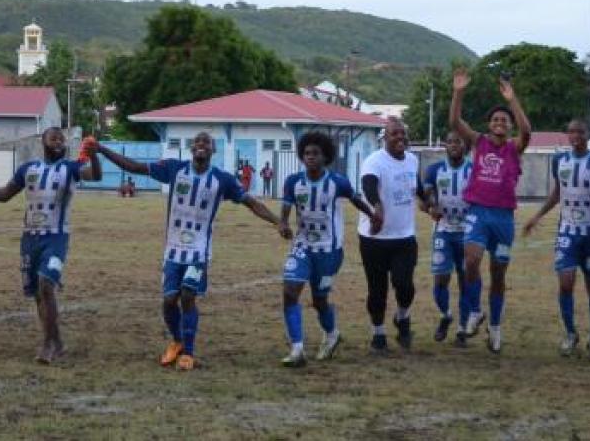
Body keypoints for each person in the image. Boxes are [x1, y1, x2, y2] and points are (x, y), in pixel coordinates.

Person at [97, 132, 282, 371]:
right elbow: (134, 166)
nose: (202, 145)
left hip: (198, 252)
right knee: (168, 301)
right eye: (198, 141)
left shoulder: (222, 180)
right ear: (192, 148)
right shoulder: (174, 169)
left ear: (213, 150)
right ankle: (177, 341)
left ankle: (189, 353)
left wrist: (277, 221)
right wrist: (102, 149)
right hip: (173, 250)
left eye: (207, 142)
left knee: (187, 295)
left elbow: (251, 203)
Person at [0, 128, 101, 362]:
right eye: (54, 138)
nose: (59, 142)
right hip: (29, 240)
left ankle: (48, 344)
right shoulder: (28, 169)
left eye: (62, 139)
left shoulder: (71, 169)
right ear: (43, 142)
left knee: (46, 284)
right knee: (38, 295)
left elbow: (96, 175)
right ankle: (55, 341)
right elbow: (3, 194)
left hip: (56, 237)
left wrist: (93, 154)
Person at [448, 69, 532, 353]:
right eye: (495, 120)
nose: (499, 123)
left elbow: (527, 131)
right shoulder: (479, 142)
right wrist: (458, 92)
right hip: (479, 213)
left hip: (504, 218)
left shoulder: (514, 148)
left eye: (504, 120)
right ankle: (474, 311)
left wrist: (511, 100)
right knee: (470, 261)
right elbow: (454, 122)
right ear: (489, 125)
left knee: (498, 276)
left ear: (508, 126)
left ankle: (495, 327)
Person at [277, 131, 375, 367]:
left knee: (319, 301)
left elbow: (356, 199)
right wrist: (282, 224)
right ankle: (297, 349)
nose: (310, 157)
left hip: (329, 252)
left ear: (325, 157)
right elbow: (286, 209)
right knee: (290, 292)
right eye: (307, 153)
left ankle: (332, 335)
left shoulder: (337, 182)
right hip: (302, 247)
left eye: (316, 153)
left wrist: (373, 216)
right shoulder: (293, 181)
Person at [522, 119, 590, 363]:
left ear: (589, 135)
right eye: (571, 131)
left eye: (579, 132)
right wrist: (537, 215)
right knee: (565, 283)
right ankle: (571, 333)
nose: (575, 135)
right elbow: (557, 192)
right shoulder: (558, 161)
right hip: (567, 233)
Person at [358, 117, 418, 353]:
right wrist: (377, 207)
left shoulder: (412, 160)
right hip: (374, 238)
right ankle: (378, 333)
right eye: (394, 134)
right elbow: (368, 185)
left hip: (404, 236)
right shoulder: (374, 161)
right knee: (377, 290)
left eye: (402, 133)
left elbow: (418, 187)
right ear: (385, 137)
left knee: (405, 286)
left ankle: (402, 316)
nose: (399, 138)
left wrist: (430, 203)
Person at [423, 132, 474, 345]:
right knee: (440, 279)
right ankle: (446, 315)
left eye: (458, 142)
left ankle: (462, 329)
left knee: (465, 281)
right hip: (443, 230)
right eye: (450, 141)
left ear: (465, 146)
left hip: (468, 233)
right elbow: (427, 193)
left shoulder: (474, 170)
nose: (454, 145)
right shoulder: (434, 169)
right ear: (445, 145)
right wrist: (432, 205)